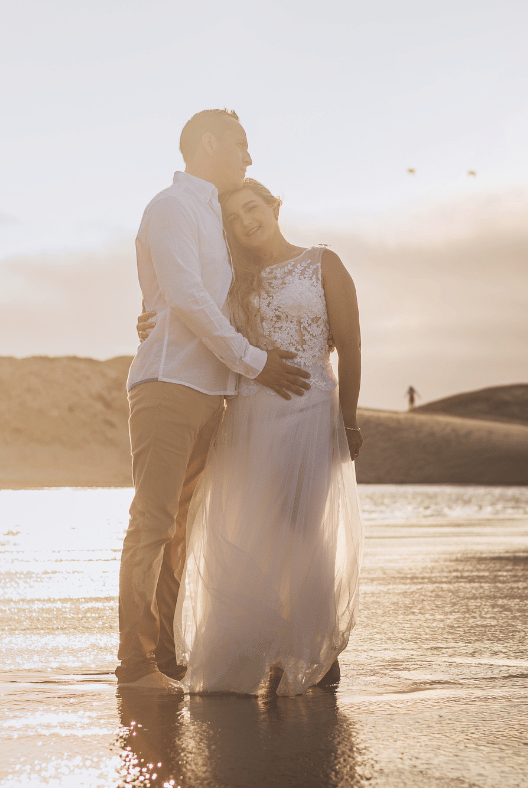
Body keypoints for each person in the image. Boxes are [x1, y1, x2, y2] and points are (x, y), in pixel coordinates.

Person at [117, 110, 312, 692]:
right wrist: (255, 362)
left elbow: (206, 302)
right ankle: (136, 665)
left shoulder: (216, 219)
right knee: (152, 525)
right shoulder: (170, 207)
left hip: (212, 395)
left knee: (180, 531)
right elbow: (186, 296)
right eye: (241, 145)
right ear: (208, 145)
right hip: (171, 386)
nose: (249, 158)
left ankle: (169, 659)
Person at [169, 178, 364, 696]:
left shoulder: (324, 262)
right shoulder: (232, 280)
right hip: (249, 418)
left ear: (275, 207)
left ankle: (307, 652)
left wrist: (348, 421)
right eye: (232, 218)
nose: (244, 221)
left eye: (251, 208)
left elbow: (350, 345)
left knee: (300, 530)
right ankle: (248, 652)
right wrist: (151, 321)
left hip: (309, 414)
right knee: (248, 529)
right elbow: (198, 322)